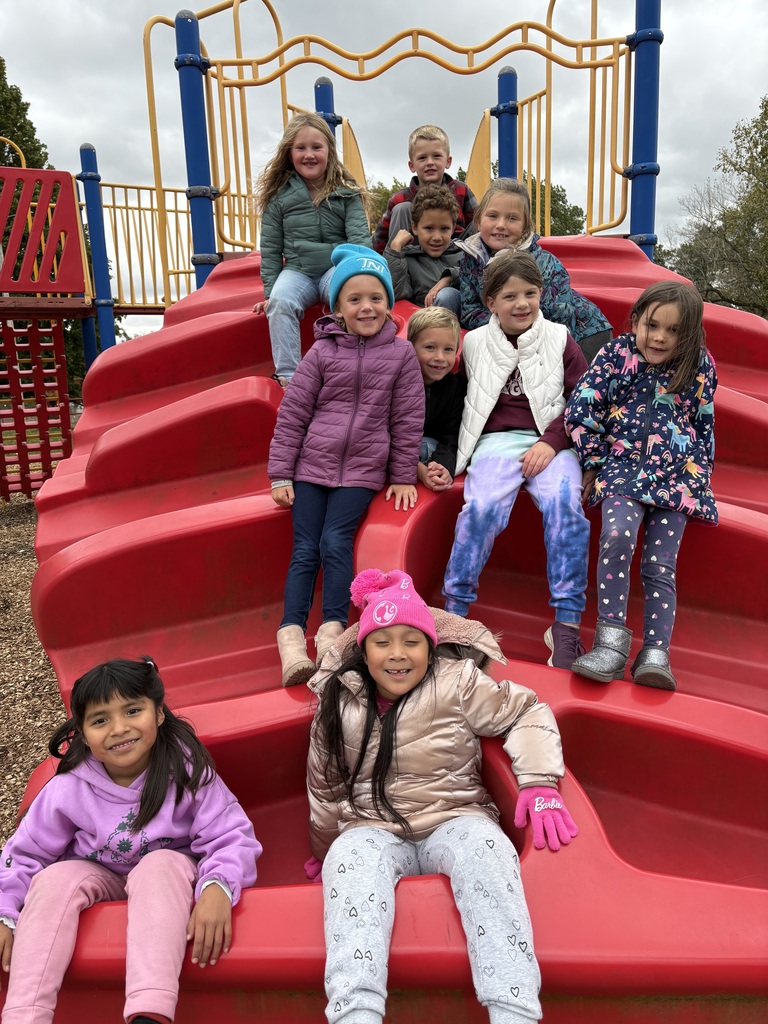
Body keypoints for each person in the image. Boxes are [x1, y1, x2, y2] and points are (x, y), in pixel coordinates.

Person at [306, 567, 578, 1024]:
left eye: (411, 641)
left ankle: (514, 1011)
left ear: (430, 648)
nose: (398, 655)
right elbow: (326, 786)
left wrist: (539, 782)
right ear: (363, 651)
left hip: (453, 814)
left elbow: (526, 711)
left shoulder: (458, 681)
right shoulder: (339, 700)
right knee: (348, 860)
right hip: (372, 826)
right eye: (382, 642)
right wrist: (324, 847)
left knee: (488, 850)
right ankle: (356, 1014)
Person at [0, 657, 261, 1024]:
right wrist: (5, 912)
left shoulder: (186, 771)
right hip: (100, 875)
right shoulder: (68, 788)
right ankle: (24, 1015)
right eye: (100, 720)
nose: (118, 728)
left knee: (158, 865)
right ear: (83, 732)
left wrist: (218, 885)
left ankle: (148, 1014)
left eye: (133, 710)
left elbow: (231, 834)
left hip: (166, 875)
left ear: (157, 714)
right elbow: (24, 852)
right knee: (51, 879)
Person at [268, 244, 425, 687]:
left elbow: (407, 417)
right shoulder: (321, 353)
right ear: (338, 307)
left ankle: (332, 633)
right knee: (304, 550)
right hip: (310, 467)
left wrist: (400, 473)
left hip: (361, 470)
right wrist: (281, 472)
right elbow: (294, 413)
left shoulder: (400, 355)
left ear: (388, 303)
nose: (366, 307)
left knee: (336, 542)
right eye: (354, 299)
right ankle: (291, 639)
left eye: (376, 297)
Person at [565, 281, 717, 690]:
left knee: (659, 566)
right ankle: (611, 644)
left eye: (673, 331)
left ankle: (655, 653)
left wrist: (701, 478)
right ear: (636, 321)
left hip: (678, 478)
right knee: (616, 537)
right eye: (653, 325)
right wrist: (593, 463)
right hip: (624, 471)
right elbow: (581, 409)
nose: (661, 338)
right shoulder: (616, 354)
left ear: (690, 334)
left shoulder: (699, 364)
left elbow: (703, 427)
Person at [443, 250, 591, 670]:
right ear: (491, 302)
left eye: (530, 293)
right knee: (483, 508)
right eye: (510, 296)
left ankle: (565, 623)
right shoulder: (473, 343)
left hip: (551, 439)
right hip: (495, 441)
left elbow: (583, 400)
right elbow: (451, 402)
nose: (522, 304)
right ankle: (457, 612)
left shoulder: (560, 338)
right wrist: (441, 455)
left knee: (565, 506)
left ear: (542, 294)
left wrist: (553, 440)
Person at [252, 112, 373, 385]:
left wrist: (362, 279)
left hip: (335, 268)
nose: (309, 155)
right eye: (301, 148)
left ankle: (351, 366)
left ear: (329, 151)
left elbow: (359, 240)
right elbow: (270, 248)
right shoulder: (279, 197)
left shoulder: (346, 193)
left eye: (316, 147)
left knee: (351, 296)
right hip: (299, 271)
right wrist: (271, 292)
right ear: (289, 153)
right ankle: (289, 375)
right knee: (281, 303)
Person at [458, 178, 612, 361]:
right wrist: (503, 324)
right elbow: (469, 311)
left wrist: (510, 324)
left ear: (525, 226)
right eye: (493, 216)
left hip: (585, 334)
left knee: (578, 385)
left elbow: (559, 320)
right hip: (520, 334)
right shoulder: (471, 260)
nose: (500, 224)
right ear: (478, 220)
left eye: (512, 218)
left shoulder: (544, 264)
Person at [372, 125, 477, 253]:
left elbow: (477, 224)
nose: (430, 162)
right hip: (415, 257)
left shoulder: (461, 190)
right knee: (402, 208)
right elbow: (380, 240)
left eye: (436, 156)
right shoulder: (399, 199)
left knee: (482, 220)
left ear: (448, 161)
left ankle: (477, 266)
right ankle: (397, 263)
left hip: (454, 255)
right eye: (422, 158)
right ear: (412, 165)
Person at [407, 306, 466, 492]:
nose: (440, 357)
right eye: (430, 347)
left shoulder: (456, 388)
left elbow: (452, 437)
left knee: (428, 446)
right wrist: (419, 471)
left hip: (434, 450)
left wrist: (443, 466)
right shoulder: (398, 383)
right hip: (399, 454)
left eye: (448, 349)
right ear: (410, 347)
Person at [384, 184, 464, 316]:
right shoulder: (409, 260)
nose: (437, 237)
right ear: (414, 227)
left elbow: (479, 279)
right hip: (424, 325)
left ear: (453, 227)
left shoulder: (462, 254)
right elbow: (396, 295)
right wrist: (395, 249)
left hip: (463, 326)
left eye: (444, 229)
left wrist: (449, 278)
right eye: (429, 228)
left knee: (446, 296)